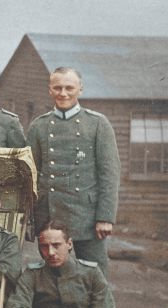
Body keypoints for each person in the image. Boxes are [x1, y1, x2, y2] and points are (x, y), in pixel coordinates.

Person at [27, 67, 120, 277]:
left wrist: (105, 217)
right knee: (53, 276)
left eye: (69, 87)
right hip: (50, 216)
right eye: (58, 88)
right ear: (50, 90)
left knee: (94, 276)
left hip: (86, 218)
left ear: (80, 89)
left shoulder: (97, 124)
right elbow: (30, 174)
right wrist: (32, 217)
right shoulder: (38, 126)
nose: (63, 93)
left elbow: (109, 174)